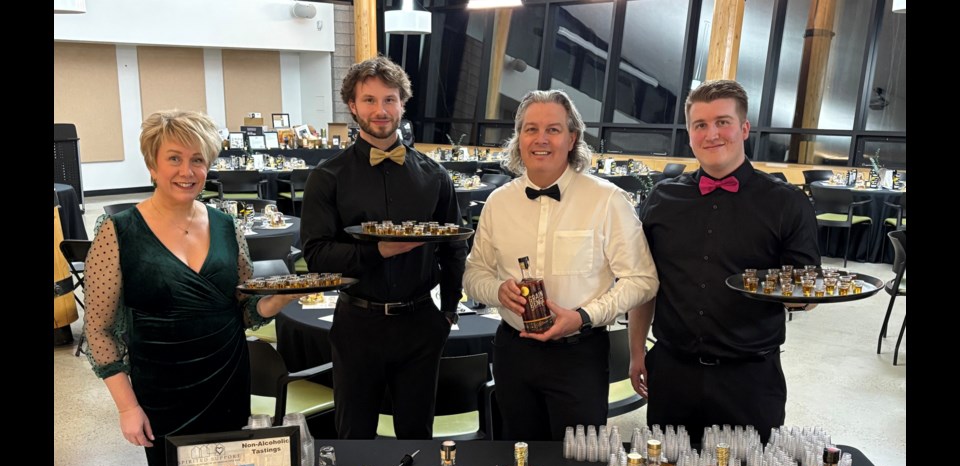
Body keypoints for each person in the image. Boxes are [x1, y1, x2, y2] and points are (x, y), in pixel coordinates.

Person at [84, 110, 298, 466]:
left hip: (227, 380)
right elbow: (98, 330)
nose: (187, 170)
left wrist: (282, 296)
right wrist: (128, 407)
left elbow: (247, 310)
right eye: (174, 158)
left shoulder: (224, 225)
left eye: (197, 159)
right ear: (152, 164)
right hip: (162, 391)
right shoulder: (119, 232)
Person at [627, 79, 820, 446]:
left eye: (723, 122)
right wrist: (638, 351)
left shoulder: (787, 203)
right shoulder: (662, 198)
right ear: (689, 135)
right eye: (700, 124)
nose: (712, 134)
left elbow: (807, 292)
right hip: (671, 370)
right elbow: (645, 284)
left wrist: (799, 296)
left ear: (744, 128)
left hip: (749, 378)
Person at [463, 89, 659, 441]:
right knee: (518, 460)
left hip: (579, 356)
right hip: (513, 352)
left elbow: (642, 279)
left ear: (572, 138)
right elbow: (473, 274)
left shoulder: (607, 200)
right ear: (518, 138)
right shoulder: (497, 202)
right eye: (530, 129)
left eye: (553, 129)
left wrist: (584, 315)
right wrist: (496, 290)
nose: (541, 139)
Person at [300, 56, 466, 440]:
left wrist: (449, 312)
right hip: (357, 323)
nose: (380, 110)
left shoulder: (434, 175)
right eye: (370, 100)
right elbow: (317, 255)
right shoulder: (327, 177)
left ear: (402, 104)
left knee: (417, 436)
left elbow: (453, 247)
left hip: (421, 322)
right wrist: (378, 252)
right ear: (353, 106)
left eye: (389, 99)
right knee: (354, 436)